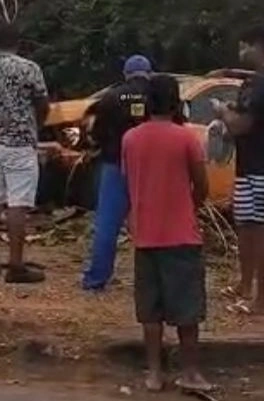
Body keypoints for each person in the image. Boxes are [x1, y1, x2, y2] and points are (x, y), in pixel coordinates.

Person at [122, 74, 211, 393]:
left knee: (151, 312)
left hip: (145, 234)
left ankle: (154, 373)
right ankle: (190, 372)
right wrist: (190, 206)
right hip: (182, 235)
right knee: (188, 311)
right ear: (176, 102)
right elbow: (202, 185)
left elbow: (129, 181)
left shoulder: (130, 139)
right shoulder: (187, 138)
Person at [213, 26, 264, 315]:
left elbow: (240, 125)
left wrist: (222, 111)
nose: (241, 53)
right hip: (257, 162)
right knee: (246, 224)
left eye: (244, 46)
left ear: (259, 46)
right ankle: (245, 285)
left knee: (260, 228)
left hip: (263, 165)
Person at [0, 22, 50, 283]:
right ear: (18, 42)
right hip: (18, 142)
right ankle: (16, 265)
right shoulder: (29, 68)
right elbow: (42, 103)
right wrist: (35, 127)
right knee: (18, 203)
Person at [81, 55, 152, 291]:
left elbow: (97, 132)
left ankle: (97, 279)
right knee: (153, 224)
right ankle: (151, 281)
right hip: (151, 168)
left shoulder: (111, 97)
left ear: (125, 73)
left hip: (116, 164)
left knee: (107, 224)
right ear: (149, 73)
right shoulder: (158, 95)